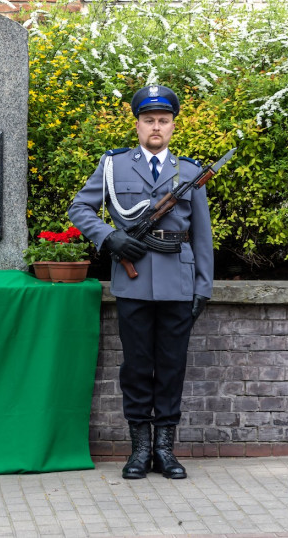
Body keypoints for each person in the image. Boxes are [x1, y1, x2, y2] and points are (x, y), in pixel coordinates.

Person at [67, 84, 213, 480]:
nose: (156, 127)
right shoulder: (114, 166)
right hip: (131, 281)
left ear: (172, 126)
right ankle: (139, 451)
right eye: (148, 120)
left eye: (163, 121)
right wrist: (107, 236)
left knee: (171, 366)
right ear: (137, 124)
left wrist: (203, 286)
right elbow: (79, 207)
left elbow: (201, 235)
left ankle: (165, 451)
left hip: (178, 281)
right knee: (136, 367)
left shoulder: (191, 172)